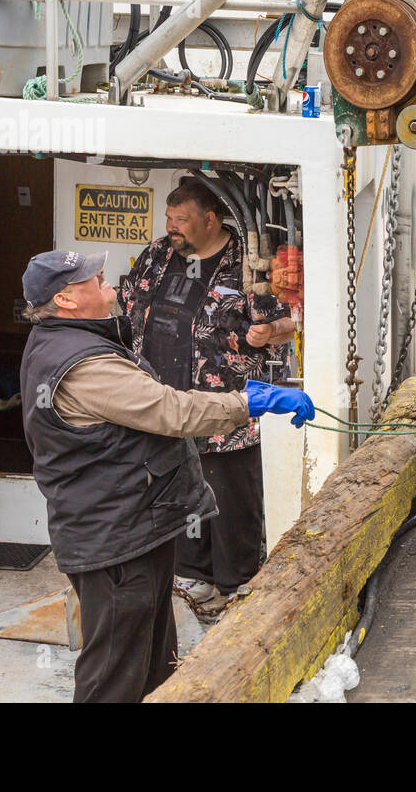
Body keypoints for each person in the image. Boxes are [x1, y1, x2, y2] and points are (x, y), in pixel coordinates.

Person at [18, 249, 313, 702]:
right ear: (66, 300)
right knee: (113, 674)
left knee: (155, 662)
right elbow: (169, 411)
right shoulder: (83, 365)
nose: (110, 286)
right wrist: (247, 403)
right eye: (95, 281)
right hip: (113, 540)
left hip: (136, 529)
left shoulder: (71, 342)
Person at [119, 178, 296, 609]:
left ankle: (238, 586)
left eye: (181, 220)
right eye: (168, 218)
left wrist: (267, 331)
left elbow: (290, 321)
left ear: (210, 219)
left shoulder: (246, 262)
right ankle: (193, 580)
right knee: (178, 497)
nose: (171, 227)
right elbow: (128, 304)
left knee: (231, 502)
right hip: (164, 409)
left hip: (225, 414)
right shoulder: (159, 254)